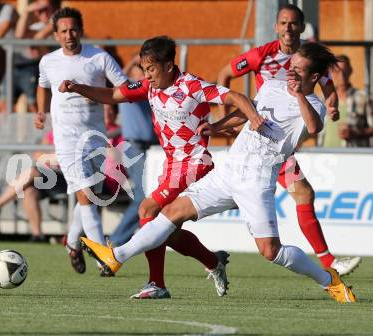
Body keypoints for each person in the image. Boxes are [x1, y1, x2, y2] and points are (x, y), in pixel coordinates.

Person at [80, 43, 357, 303]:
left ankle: (327, 279)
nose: (290, 71)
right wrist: (218, 126)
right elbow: (245, 113)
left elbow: (313, 126)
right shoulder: (272, 86)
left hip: (256, 180)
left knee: (270, 251)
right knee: (172, 212)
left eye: (298, 69)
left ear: (315, 76)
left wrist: (298, 94)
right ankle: (116, 256)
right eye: (290, 65)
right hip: (229, 172)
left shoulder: (314, 105)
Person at [59, 36, 265, 298]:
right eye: (145, 70)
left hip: (194, 163)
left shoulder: (192, 86)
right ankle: (213, 261)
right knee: (163, 231)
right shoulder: (149, 86)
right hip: (172, 166)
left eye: (151, 69)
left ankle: (155, 282)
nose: (147, 75)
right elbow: (113, 94)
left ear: (169, 66)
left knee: (147, 209)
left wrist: (253, 117)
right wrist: (78, 88)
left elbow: (235, 96)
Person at [216, 3, 361, 275]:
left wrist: (332, 106)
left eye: (293, 23)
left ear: (302, 28)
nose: (288, 28)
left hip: (283, 140)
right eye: (283, 23)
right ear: (276, 27)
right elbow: (225, 74)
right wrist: (231, 121)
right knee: (302, 193)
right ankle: (329, 265)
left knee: (299, 194)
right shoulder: (262, 54)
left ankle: (211, 257)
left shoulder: (310, 57)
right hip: (263, 142)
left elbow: (328, 89)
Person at [34, 7, 128, 274]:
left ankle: (72, 242)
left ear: (81, 31)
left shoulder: (99, 57)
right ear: (55, 35)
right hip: (66, 140)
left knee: (92, 193)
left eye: (73, 29)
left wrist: (96, 94)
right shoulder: (48, 61)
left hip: (95, 137)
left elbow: (122, 88)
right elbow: (42, 86)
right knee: (86, 194)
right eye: (63, 31)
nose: (69, 35)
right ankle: (103, 257)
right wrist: (40, 111)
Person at [0, 131, 67, 242]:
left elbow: (67, 159)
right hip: (48, 175)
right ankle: (37, 235)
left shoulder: (75, 131)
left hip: (67, 177)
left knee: (33, 171)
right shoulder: (53, 133)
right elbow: (37, 154)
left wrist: (50, 158)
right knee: (29, 190)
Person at [109, 56, 158, 247]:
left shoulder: (149, 89)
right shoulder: (127, 89)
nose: (144, 73)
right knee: (142, 196)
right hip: (135, 147)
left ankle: (127, 239)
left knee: (151, 195)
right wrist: (133, 62)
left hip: (153, 147)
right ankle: (115, 241)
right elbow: (119, 76)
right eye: (140, 69)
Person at [2, 0, 61, 113]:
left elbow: (39, 36)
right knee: (4, 104)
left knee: (38, 106)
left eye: (46, 9)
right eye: (39, 10)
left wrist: (30, 38)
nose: (42, 13)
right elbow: (19, 36)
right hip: (23, 65)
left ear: (54, 9)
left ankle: (45, 130)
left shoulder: (57, 21)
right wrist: (26, 12)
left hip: (45, 70)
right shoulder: (35, 22)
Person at [321, 54, 373, 147]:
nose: (341, 75)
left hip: (352, 156)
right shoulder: (323, 99)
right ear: (331, 73)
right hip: (326, 157)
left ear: (350, 71)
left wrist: (355, 133)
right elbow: (315, 129)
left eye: (345, 71)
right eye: (337, 71)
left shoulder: (363, 98)